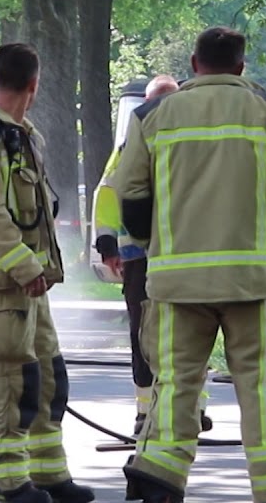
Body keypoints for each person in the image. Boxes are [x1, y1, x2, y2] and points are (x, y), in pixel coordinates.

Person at [113, 27, 266, 503]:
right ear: (241, 66)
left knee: (177, 389)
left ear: (193, 63)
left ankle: (157, 487)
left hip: (176, 283)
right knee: (263, 392)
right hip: (257, 283)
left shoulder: (151, 116)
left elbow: (130, 190)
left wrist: (153, 242)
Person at [0, 43, 95, 503]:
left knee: (48, 379)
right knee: (11, 384)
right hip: (3, 285)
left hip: (30, 285)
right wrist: (24, 266)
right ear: (33, 86)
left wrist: (38, 270)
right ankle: (8, 485)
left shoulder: (23, 135)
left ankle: (50, 475)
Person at [93, 75, 214, 437]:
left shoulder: (193, 140)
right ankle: (146, 412)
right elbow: (108, 193)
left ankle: (192, 409)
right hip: (144, 256)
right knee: (145, 335)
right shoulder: (135, 140)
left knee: (191, 333)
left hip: (180, 253)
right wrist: (108, 244)